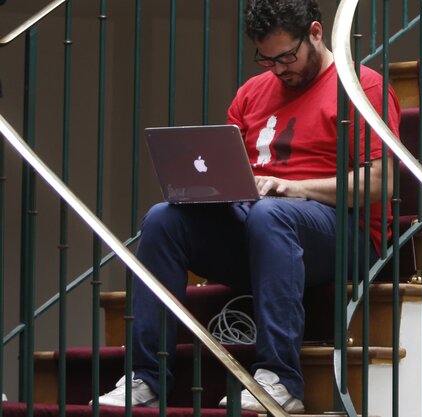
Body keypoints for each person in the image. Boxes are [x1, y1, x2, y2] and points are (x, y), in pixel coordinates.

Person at [95, 0, 401, 412]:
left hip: (346, 235)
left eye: (287, 56)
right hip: (261, 226)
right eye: (266, 59)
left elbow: (381, 182)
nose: (278, 68)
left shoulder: (363, 87)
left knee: (270, 213)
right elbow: (230, 168)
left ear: (315, 32)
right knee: (163, 218)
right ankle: (146, 377)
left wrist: (294, 188)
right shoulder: (252, 92)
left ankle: (279, 379)